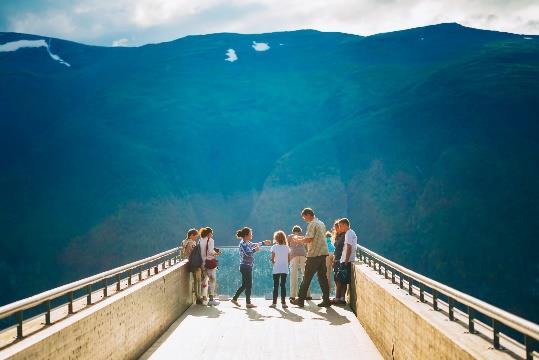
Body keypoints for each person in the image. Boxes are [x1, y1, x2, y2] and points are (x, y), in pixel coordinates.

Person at [290, 208, 331, 308]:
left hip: (314, 255)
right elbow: (314, 237)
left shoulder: (312, 224)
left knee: (306, 278)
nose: (304, 219)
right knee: (323, 278)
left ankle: (300, 300)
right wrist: (299, 238)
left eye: (304, 217)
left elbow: (309, 239)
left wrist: (298, 241)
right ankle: (326, 300)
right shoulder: (321, 223)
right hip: (323, 253)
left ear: (308, 214)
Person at [231, 227, 271, 308]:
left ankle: (235, 299)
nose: (251, 235)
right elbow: (247, 253)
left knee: (245, 285)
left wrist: (263, 242)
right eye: (250, 234)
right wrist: (255, 250)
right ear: (246, 235)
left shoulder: (247, 242)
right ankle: (248, 303)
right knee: (248, 285)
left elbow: (254, 245)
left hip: (247, 266)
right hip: (245, 266)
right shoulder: (243, 243)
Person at [287, 225, 311, 301]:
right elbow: (307, 248)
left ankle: (292, 295)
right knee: (305, 275)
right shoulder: (302, 237)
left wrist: (288, 258)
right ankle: (307, 295)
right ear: (300, 231)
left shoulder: (290, 236)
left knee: (293, 276)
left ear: (293, 231)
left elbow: (287, 247)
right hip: (303, 255)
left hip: (293, 256)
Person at [200, 227, 221, 306]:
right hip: (210, 263)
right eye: (211, 233)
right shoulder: (211, 240)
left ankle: (204, 298)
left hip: (202, 263)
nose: (212, 235)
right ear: (209, 233)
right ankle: (211, 299)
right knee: (212, 280)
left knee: (204, 281)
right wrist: (217, 253)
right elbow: (210, 251)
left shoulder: (201, 240)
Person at [338, 218, 358, 300]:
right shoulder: (350, 232)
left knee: (341, 280)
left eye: (341, 226)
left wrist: (346, 261)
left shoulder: (349, 234)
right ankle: (342, 298)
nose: (340, 228)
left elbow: (349, 248)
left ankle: (341, 299)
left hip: (346, 260)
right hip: (347, 260)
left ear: (345, 224)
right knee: (343, 280)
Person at [181, 228, 203, 305]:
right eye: (195, 236)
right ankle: (198, 297)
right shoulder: (192, 243)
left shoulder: (184, 242)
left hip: (190, 263)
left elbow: (183, 253)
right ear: (191, 235)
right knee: (198, 280)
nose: (196, 238)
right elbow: (195, 253)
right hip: (195, 263)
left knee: (196, 280)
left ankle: (198, 296)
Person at [270, 230, 290, 308]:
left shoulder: (274, 247)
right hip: (284, 268)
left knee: (275, 286)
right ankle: (284, 303)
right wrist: (285, 263)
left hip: (276, 268)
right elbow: (289, 259)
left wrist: (274, 263)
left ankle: (274, 303)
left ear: (276, 238)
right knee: (283, 285)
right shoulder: (287, 247)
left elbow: (272, 258)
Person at [331, 221, 347, 305]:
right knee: (339, 279)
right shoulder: (339, 236)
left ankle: (338, 298)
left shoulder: (344, 236)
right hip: (337, 259)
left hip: (341, 260)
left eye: (338, 227)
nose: (336, 229)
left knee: (339, 279)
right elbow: (336, 250)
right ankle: (341, 297)